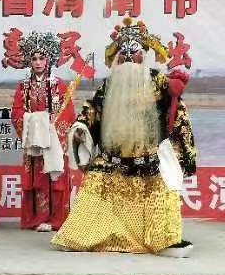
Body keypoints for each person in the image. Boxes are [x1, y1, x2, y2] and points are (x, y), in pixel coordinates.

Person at [52, 18, 196, 258]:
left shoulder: (158, 81)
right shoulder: (109, 85)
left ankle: (164, 241)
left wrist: (180, 151)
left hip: (148, 161)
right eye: (124, 52)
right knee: (95, 182)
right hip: (112, 160)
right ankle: (79, 236)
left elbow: (177, 115)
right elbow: (92, 110)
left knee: (162, 188)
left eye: (134, 52)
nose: (129, 57)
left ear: (144, 55)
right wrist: (82, 127)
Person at [10, 32, 76, 232]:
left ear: (49, 60)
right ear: (29, 61)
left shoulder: (59, 85)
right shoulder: (23, 87)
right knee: (37, 177)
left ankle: (56, 219)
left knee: (54, 176)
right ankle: (38, 217)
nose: (38, 63)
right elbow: (16, 112)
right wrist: (33, 121)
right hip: (35, 140)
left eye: (42, 58)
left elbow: (68, 112)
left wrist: (54, 124)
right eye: (34, 58)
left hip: (54, 139)